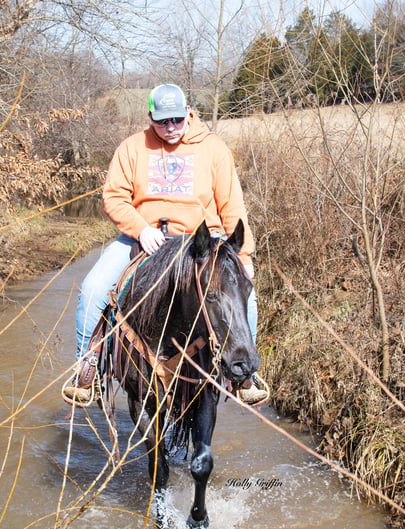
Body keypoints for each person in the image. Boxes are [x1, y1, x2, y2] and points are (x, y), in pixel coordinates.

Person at [63, 84, 268, 407]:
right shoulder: (132, 148)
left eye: (177, 119)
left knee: (246, 295)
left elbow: (232, 206)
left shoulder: (213, 149)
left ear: (188, 113)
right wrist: (140, 229)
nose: (171, 128)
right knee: (92, 290)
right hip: (144, 239)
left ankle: (244, 376)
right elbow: (113, 197)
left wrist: (243, 255)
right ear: (150, 118)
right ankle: (87, 370)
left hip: (202, 244)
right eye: (162, 122)